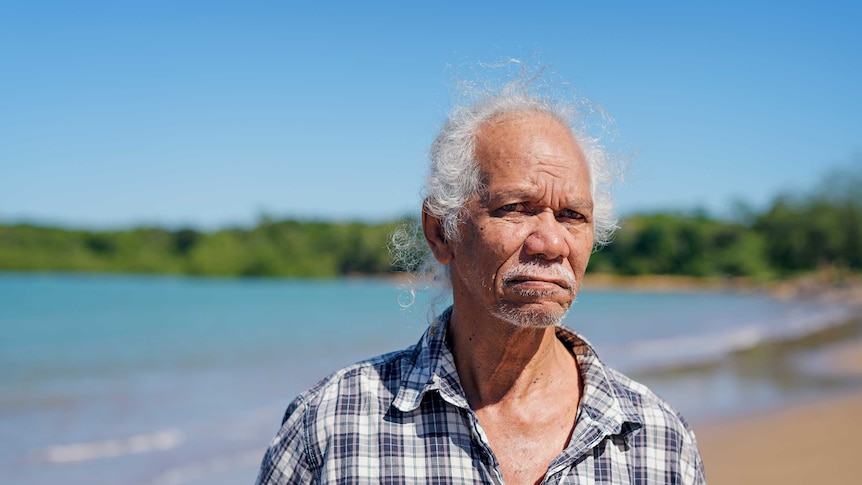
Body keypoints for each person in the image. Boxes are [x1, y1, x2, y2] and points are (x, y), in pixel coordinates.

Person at [255, 77, 706, 484]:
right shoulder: (332, 425)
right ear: (441, 232)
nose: (550, 242)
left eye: (573, 216)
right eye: (515, 208)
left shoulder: (658, 440)